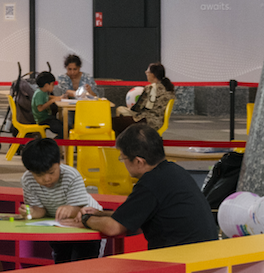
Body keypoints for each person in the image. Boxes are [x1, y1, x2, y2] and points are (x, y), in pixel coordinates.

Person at [56, 124, 219, 250]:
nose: (123, 162)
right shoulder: (174, 171)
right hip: (201, 252)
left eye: (123, 158)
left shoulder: (150, 183)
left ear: (139, 161)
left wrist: (86, 220)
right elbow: (135, 216)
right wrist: (100, 214)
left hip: (179, 259)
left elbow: (114, 228)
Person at [18, 138, 104, 262]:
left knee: (84, 263)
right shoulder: (27, 179)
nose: (46, 179)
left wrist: (71, 209)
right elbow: (39, 210)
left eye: (51, 172)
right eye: (39, 175)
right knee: (61, 262)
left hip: (88, 224)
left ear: (59, 163)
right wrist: (32, 212)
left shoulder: (71, 175)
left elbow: (81, 210)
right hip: (59, 225)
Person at [116, 63, 175, 133]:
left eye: (147, 72)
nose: (146, 73)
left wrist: (129, 109)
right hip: (159, 122)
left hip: (147, 121)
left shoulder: (150, 88)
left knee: (115, 122)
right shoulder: (169, 89)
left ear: (153, 74)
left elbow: (137, 108)